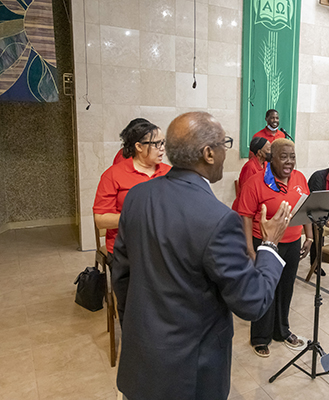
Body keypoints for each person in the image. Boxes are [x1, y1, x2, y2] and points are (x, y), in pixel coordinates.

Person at [111, 111, 292, 400]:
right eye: (224, 143)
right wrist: (269, 245)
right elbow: (253, 302)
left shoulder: (137, 197)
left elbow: (121, 275)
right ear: (208, 153)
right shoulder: (219, 219)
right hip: (189, 375)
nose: (225, 152)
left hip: (141, 359)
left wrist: (135, 327)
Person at [237, 138, 312, 358]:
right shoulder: (255, 182)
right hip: (265, 243)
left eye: (293, 157)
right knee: (264, 291)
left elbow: (306, 205)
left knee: (286, 289)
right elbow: (245, 217)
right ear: (272, 158)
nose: (289, 162)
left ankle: (282, 330)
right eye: (284, 156)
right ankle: (260, 337)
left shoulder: (299, 178)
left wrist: (309, 236)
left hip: (292, 242)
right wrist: (250, 250)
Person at [93, 119, 170, 273]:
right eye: (156, 144)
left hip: (162, 247)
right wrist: (138, 217)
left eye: (163, 143)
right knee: (130, 295)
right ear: (139, 146)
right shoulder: (113, 175)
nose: (162, 149)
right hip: (126, 250)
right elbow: (101, 220)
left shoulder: (169, 172)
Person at [232, 136, 271, 211]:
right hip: (246, 209)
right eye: (268, 149)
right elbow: (247, 194)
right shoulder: (250, 167)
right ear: (259, 153)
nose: (271, 152)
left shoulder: (266, 165)